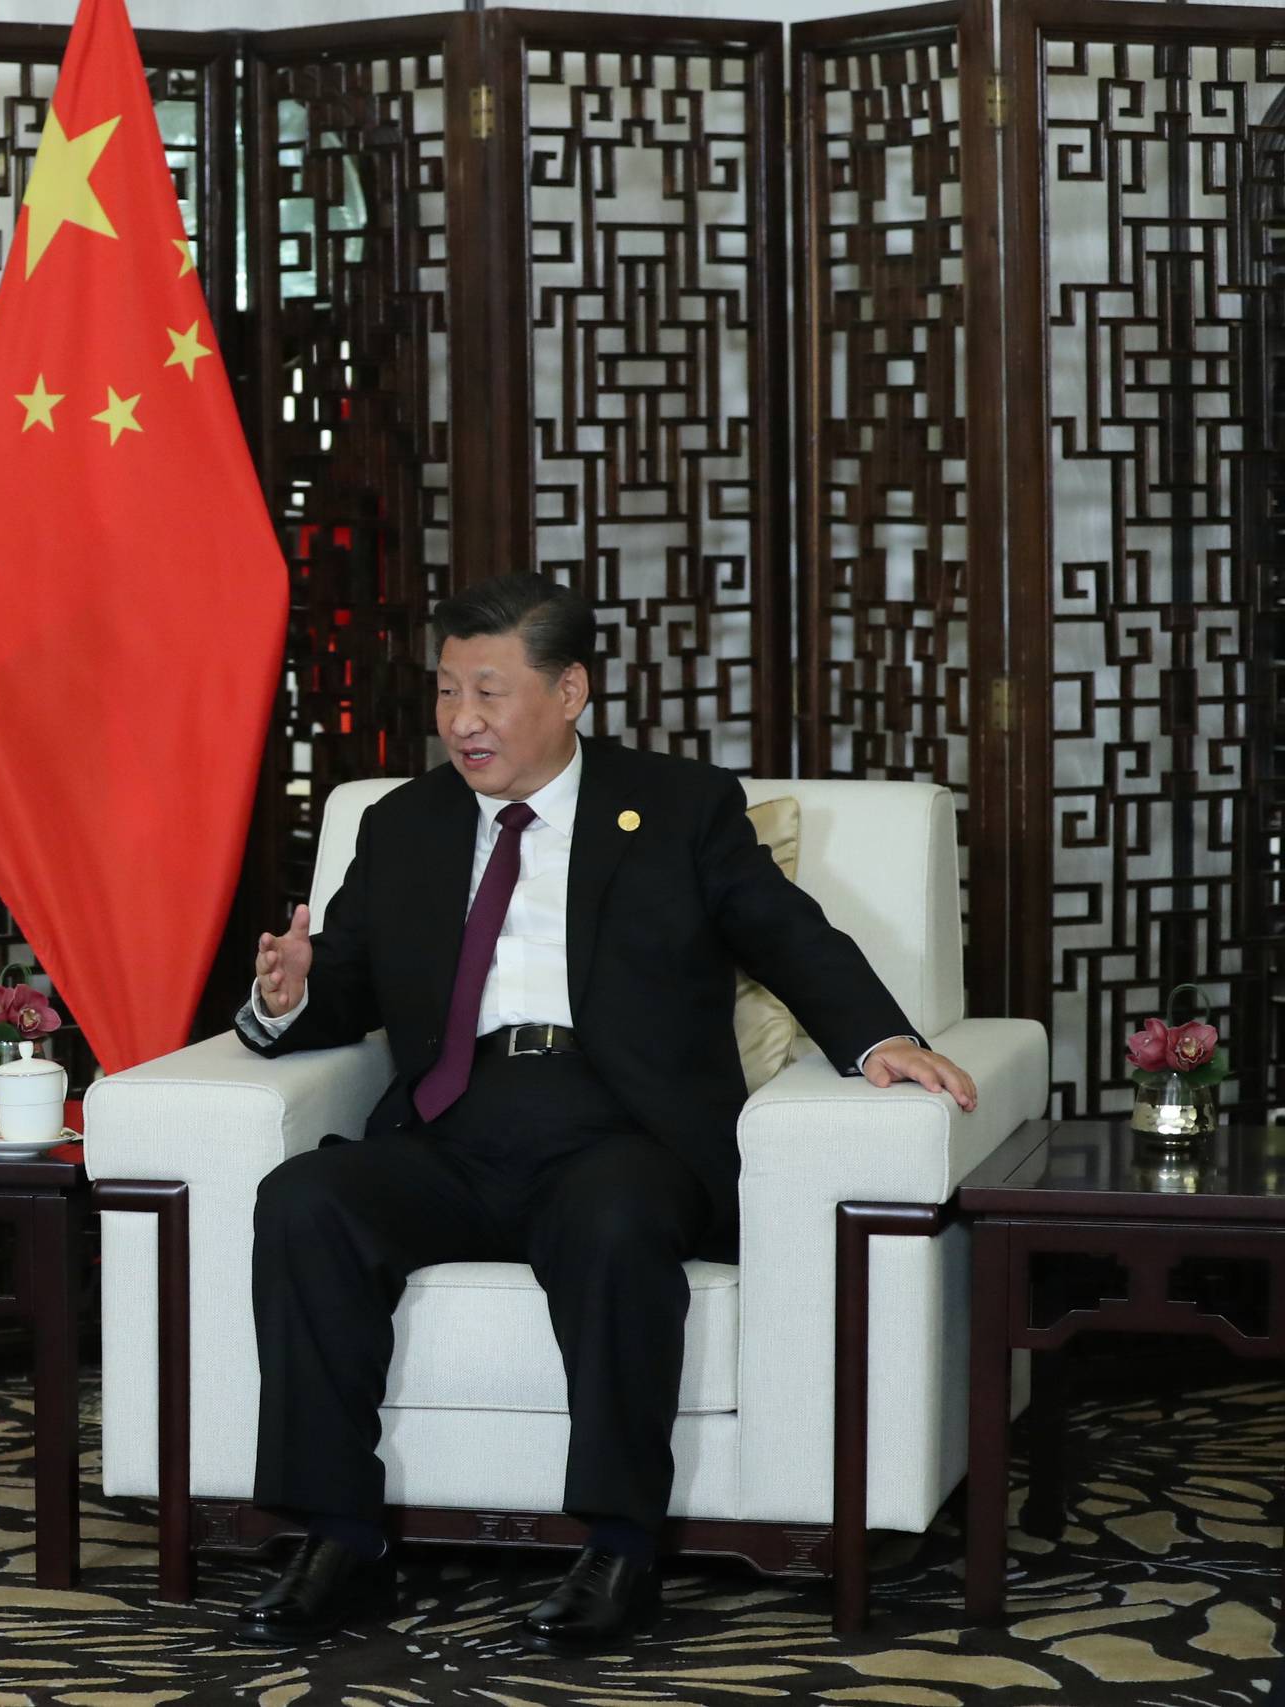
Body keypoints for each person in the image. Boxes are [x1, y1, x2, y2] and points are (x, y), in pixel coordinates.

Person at [232, 575, 978, 1652]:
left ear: (570, 689)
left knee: (615, 1220)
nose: (461, 722)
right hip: (450, 1118)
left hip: (615, 1126)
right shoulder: (402, 824)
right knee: (303, 1199)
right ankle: (338, 1532)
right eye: (445, 694)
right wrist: (284, 993)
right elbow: (340, 984)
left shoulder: (678, 807)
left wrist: (878, 1039)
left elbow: (786, 935)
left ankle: (620, 1546)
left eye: (488, 692)